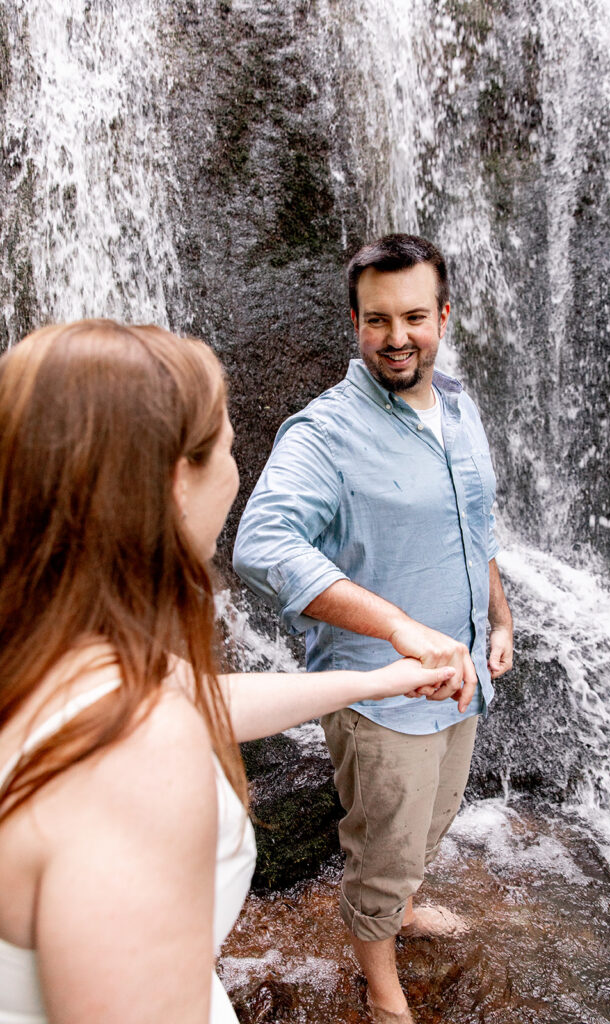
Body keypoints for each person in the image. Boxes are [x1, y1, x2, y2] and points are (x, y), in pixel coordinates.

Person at [0, 319, 459, 1024]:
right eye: (227, 446)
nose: (237, 470)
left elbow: (190, 697)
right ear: (175, 481)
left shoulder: (42, 648)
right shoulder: (132, 765)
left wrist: (373, 680)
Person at [233, 233, 514, 1023]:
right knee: (383, 849)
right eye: (377, 320)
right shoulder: (323, 432)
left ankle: (405, 905)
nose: (397, 338)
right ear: (355, 322)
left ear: (443, 316)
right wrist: (395, 627)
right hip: (381, 696)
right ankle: (380, 979)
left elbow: (475, 522)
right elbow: (261, 543)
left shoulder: (457, 405)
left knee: (430, 820)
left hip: (461, 677)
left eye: (414, 318)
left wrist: (497, 615)